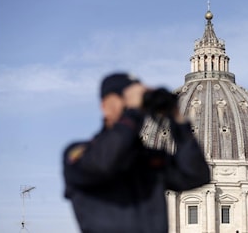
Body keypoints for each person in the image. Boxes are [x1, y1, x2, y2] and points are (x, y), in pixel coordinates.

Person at [62, 72, 210, 233]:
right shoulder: (78, 154)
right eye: (128, 98)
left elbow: (197, 175)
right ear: (106, 106)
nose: (138, 106)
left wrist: (178, 122)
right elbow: (105, 162)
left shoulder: (149, 160)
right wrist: (132, 113)